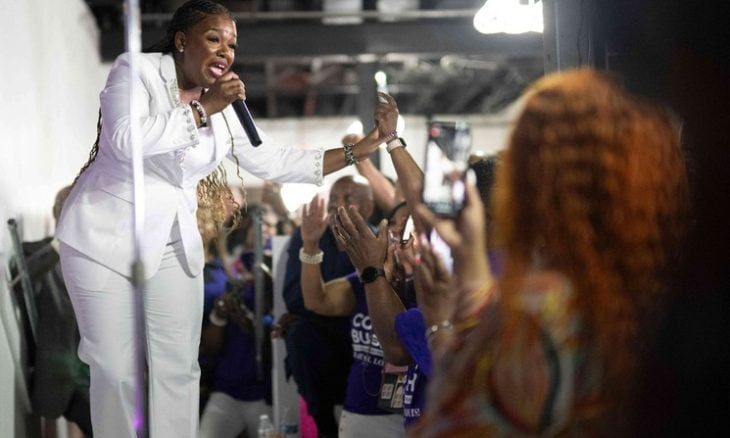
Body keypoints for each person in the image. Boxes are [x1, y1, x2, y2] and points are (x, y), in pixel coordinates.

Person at [54, 1, 393, 437]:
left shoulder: (226, 107)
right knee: (116, 369)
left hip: (173, 242)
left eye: (231, 45)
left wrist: (360, 150)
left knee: (178, 367)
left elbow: (275, 160)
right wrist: (202, 110)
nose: (225, 51)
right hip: (104, 237)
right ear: (182, 41)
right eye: (214, 38)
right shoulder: (136, 71)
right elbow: (123, 140)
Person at [409, 69, 688, 435]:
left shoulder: (540, 311)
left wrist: (442, 324)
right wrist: (474, 281)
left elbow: (454, 427)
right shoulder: (666, 293)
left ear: (531, 183)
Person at [298, 195, 405, 438]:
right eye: (394, 225)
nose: (399, 232)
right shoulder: (365, 282)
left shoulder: (426, 288)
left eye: (407, 225)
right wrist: (310, 245)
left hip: (408, 415)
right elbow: (317, 300)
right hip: (359, 411)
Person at [280, 175, 375, 437]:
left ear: (368, 207)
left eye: (348, 198)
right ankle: (325, 428)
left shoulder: (379, 240)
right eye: (333, 198)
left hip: (367, 334)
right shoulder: (310, 235)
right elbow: (295, 297)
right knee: (299, 333)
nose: (336, 204)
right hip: (322, 332)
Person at [22, 186, 92, 438]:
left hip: (91, 372)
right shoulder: (35, 251)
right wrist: (61, 243)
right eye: (68, 209)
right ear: (55, 212)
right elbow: (22, 279)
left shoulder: (96, 261)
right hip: (56, 373)